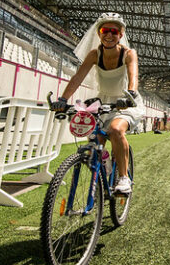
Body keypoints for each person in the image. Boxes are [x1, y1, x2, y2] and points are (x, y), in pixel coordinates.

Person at [51, 12, 143, 194]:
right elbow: (77, 78)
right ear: (99, 33)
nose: (109, 35)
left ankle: (124, 178)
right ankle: (106, 168)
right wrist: (62, 99)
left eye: (113, 31)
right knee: (95, 139)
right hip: (104, 100)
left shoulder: (128, 54)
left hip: (126, 102)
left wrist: (130, 93)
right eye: (104, 30)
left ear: (121, 34)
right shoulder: (95, 54)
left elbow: (133, 76)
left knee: (116, 130)